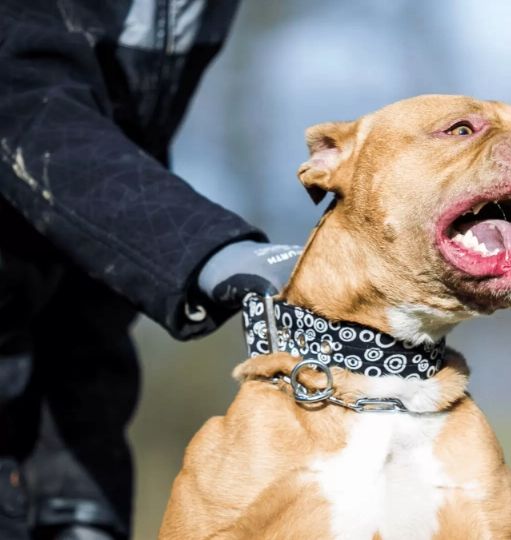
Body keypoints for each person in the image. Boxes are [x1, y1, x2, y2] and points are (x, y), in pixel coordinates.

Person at [0, 2, 303, 538]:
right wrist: (209, 250)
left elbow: (91, 188)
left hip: (67, 364)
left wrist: (77, 496)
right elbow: (20, 100)